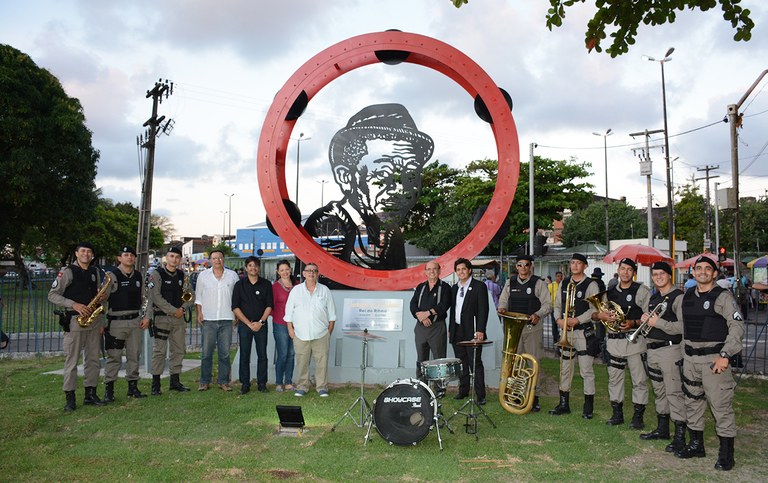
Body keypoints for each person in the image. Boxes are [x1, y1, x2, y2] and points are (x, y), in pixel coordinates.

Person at [304, 103, 434, 270]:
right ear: (344, 176)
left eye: (410, 176)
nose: (400, 189)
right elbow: (321, 282)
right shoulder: (328, 226)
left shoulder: (390, 232)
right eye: (383, 175)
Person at [675, 256, 744, 471]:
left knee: (720, 406)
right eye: (699, 268)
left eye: (708, 269)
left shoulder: (723, 297)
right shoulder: (686, 296)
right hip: (690, 360)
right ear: (693, 272)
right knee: (692, 403)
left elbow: (737, 326)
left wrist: (725, 355)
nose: (703, 271)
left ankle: (726, 455)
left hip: (714, 360)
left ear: (715, 273)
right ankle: (696, 444)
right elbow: (683, 329)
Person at [47, 242, 107, 411]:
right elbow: (52, 295)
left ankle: (90, 394)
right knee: (72, 362)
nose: (86, 254)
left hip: (93, 322)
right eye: (83, 251)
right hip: (74, 322)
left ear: (92, 255)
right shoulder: (68, 271)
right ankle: (70, 397)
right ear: (76, 253)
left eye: (89, 252)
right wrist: (74, 305)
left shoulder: (94, 271)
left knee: (93, 360)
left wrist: (100, 312)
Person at [593, 258, 650, 429]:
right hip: (614, 343)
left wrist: (633, 322)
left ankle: (638, 416)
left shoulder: (642, 291)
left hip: (634, 342)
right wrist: (600, 316)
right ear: (618, 270)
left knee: (639, 380)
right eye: (622, 269)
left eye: (629, 270)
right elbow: (594, 315)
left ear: (634, 272)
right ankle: (617, 413)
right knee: (614, 379)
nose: (625, 272)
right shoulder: (608, 293)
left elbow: (650, 317)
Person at [638, 261, 686, 452]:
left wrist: (658, 322)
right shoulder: (654, 297)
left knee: (674, 392)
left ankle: (680, 435)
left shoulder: (678, 298)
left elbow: (683, 327)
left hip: (670, 350)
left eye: (662, 274)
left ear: (669, 275)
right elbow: (650, 325)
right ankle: (663, 428)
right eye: (655, 274)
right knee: (659, 391)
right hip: (653, 350)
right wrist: (646, 323)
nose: (658, 277)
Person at [498, 254, 552, 412]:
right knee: (513, 364)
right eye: (520, 265)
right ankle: (515, 394)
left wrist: (538, 315)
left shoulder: (538, 283)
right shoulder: (510, 282)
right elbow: (503, 300)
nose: (523, 268)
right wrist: (501, 308)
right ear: (516, 267)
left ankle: (534, 398)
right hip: (514, 330)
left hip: (531, 329)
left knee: (533, 363)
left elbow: (548, 304)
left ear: (531, 267)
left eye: (526, 265)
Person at [549, 253, 599, 418]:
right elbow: (557, 304)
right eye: (573, 263)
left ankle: (588, 406)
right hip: (566, 332)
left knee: (586, 370)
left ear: (585, 266)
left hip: (582, 332)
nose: (575, 266)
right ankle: (564, 403)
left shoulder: (591, 285)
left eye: (579, 263)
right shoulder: (564, 283)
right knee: (565, 369)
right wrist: (558, 319)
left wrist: (576, 319)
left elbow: (594, 310)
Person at [103, 246, 150, 402]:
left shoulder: (138, 276)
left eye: (132, 255)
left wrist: (146, 317)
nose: (129, 257)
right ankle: (109, 389)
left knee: (134, 355)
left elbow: (145, 298)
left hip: (135, 321)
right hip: (116, 322)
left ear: (135, 258)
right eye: (126, 255)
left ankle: (132, 387)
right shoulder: (111, 276)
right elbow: (102, 300)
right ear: (119, 258)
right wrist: (101, 323)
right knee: (114, 356)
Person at [284, 262, 336, 397]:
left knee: (322, 362)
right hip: (300, 334)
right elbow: (288, 312)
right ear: (304, 273)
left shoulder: (325, 290)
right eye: (309, 271)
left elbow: (332, 315)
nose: (311, 273)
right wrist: (291, 330)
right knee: (302, 362)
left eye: (314, 271)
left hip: (321, 334)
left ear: (318, 274)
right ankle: (302, 387)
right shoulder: (296, 291)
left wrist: (328, 332)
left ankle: (322, 388)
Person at [149, 246, 196, 395]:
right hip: (162, 318)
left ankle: (175, 381)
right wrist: (172, 310)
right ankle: (155, 384)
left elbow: (191, 296)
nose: (174, 259)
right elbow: (155, 296)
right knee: (159, 351)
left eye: (177, 257)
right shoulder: (157, 274)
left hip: (178, 319)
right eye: (171, 256)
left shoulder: (183, 276)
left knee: (178, 350)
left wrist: (182, 309)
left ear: (180, 259)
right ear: (166, 258)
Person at [195, 249, 240, 392]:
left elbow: (237, 297)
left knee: (225, 353)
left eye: (220, 258)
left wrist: (236, 315)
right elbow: (199, 297)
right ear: (210, 260)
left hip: (227, 318)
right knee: (207, 353)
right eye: (214, 258)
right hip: (209, 319)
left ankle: (223, 381)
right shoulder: (203, 276)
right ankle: (204, 381)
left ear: (223, 259)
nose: (217, 260)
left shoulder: (232, 275)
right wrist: (199, 313)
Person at [449, 258, 489, 404]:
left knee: (475, 363)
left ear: (469, 270)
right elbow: (453, 311)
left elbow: (483, 310)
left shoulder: (479, 287)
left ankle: (480, 395)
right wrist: (451, 330)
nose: (461, 272)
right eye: (458, 270)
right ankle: (463, 391)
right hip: (457, 331)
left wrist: (480, 330)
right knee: (461, 363)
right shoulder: (454, 288)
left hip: (473, 331)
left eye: (463, 269)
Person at [231, 256, 273, 394]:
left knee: (262, 355)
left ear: (259, 268)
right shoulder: (239, 285)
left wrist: (260, 322)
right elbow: (235, 307)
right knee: (244, 354)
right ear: (246, 267)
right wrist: (248, 323)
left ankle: (262, 384)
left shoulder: (266, 284)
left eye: (255, 265)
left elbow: (269, 306)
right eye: (250, 265)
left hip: (261, 325)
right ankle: (245, 384)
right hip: (245, 326)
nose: (253, 268)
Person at [410, 260, 452, 392]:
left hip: (437, 328)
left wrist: (428, 313)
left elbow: (444, 305)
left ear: (439, 271)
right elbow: (413, 305)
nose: (432, 271)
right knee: (421, 359)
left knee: (439, 359)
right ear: (425, 272)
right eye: (429, 269)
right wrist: (420, 317)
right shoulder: (420, 287)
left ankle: (439, 388)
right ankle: (422, 387)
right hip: (421, 328)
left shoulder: (445, 287)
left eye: (434, 269)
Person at [271, 260, 296, 392]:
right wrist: (278, 317)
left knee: (291, 354)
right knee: (283, 353)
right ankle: (279, 382)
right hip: (280, 324)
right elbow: (270, 307)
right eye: (282, 270)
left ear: (290, 270)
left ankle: (289, 382)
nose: (285, 272)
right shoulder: (274, 287)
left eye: (287, 269)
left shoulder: (297, 285)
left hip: (296, 325)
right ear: (278, 272)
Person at [550, 271, 563, 345]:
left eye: (561, 276)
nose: (560, 278)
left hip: (562, 307)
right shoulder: (551, 285)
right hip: (554, 307)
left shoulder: (564, 285)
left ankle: (562, 338)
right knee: (554, 324)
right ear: (555, 277)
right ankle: (556, 339)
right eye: (558, 276)